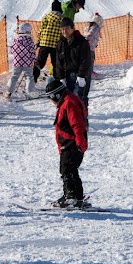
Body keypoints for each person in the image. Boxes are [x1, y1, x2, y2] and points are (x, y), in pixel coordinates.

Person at [46, 80, 88, 209]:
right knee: (70, 170)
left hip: (72, 144)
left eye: (51, 98)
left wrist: (80, 142)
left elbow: (77, 124)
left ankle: (71, 197)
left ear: (56, 95)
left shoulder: (69, 103)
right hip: (68, 144)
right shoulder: (66, 101)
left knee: (67, 169)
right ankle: (76, 197)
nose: (51, 102)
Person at [53, 18, 92, 98]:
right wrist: (61, 77)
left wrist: (81, 75)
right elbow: (58, 62)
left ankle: (83, 110)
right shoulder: (60, 43)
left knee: (81, 97)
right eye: (62, 29)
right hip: (68, 74)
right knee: (69, 98)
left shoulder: (81, 42)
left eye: (67, 28)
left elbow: (86, 59)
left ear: (73, 28)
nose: (64, 31)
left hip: (81, 73)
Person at [34, 0, 62, 83]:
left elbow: (41, 30)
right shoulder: (61, 18)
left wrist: (39, 39)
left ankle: (34, 77)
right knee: (55, 63)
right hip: (56, 45)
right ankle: (57, 80)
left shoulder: (46, 17)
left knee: (40, 62)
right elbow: (62, 32)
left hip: (44, 43)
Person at [5, 22, 36, 99]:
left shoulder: (15, 40)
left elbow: (12, 50)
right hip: (27, 63)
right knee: (29, 77)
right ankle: (30, 92)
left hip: (17, 63)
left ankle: (8, 92)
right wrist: (35, 60)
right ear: (28, 31)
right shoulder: (29, 41)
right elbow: (32, 52)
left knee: (14, 76)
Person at [81, 13, 104, 106]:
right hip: (89, 49)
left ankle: (89, 71)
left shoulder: (88, 26)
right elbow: (89, 36)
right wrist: (90, 41)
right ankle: (89, 72)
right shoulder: (96, 27)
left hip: (87, 48)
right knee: (90, 59)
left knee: (88, 60)